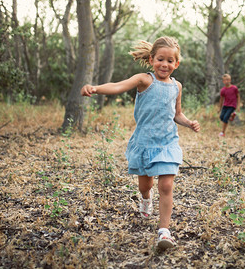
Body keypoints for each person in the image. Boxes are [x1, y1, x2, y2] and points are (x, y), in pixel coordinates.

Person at [81, 36, 200, 249]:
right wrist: (96, 88)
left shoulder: (177, 86)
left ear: (177, 63)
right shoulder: (145, 80)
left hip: (167, 143)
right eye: (160, 59)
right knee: (146, 186)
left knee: (166, 185)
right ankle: (146, 199)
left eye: (170, 61)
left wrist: (189, 122)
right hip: (144, 143)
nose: (165, 64)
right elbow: (118, 86)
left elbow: (177, 114)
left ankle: (164, 232)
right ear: (152, 59)